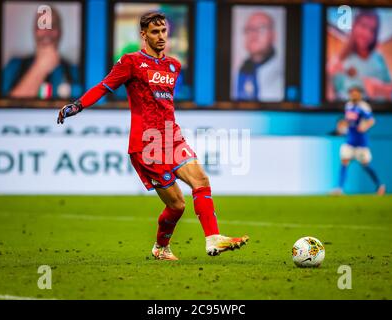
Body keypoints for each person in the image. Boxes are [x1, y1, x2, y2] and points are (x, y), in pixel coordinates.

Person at [57, 12, 249, 260]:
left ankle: (213, 239)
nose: (161, 37)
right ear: (143, 34)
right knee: (177, 205)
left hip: (172, 136)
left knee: (201, 180)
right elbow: (104, 86)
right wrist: (77, 105)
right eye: (155, 32)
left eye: (164, 31)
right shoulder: (131, 62)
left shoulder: (173, 66)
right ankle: (160, 248)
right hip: (147, 145)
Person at [2, 6, 82, 99]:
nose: (47, 32)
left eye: (53, 25)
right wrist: (40, 68)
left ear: (60, 32)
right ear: (34, 31)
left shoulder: (74, 72)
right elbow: (0, 109)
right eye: (41, 25)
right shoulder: (14, 67)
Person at [327, 9, 392, 101]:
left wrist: (380, 89)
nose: (367, 34)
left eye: (372, 30)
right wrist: (327, 76)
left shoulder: (378, 58)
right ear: (354, 26)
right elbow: (331, 98)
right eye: (363, 26)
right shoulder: (340, 60)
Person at [333, 86, 386, 195]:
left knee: (366, 165)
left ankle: (380, 185)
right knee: (344, 161)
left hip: (361, 142)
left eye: (356, 93)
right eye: (352, 93)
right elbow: (349, 121)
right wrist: (343, 125)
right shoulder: (348, 106)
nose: (353, 95)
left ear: (360, 95)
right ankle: (339, 188)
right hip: (350, 140)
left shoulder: (363, 107)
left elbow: (371, 120)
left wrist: (365, 126)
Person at [236, 11, 284, 101]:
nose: (254, 35)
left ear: (273, 35)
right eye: (249, 29)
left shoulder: (284, 73)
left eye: (261, 28)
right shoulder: (239, 71)